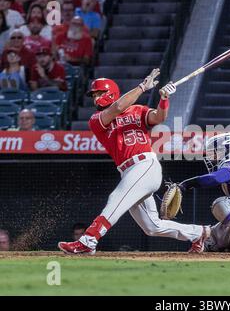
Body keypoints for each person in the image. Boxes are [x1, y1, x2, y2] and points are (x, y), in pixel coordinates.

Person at [58, 70, 211, 255]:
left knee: (116, 199)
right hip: (128, 171)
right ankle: (198, 233)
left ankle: (89, 240)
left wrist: (164, 98)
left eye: (99, 93)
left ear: (111, 93)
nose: (96, 98)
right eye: (94, 95)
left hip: (144, 165)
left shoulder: (137, 110)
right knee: (152, 227)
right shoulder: (96, 120)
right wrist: (142, 87)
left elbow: (159, 117)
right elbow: (117, 108)